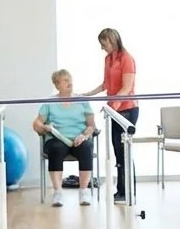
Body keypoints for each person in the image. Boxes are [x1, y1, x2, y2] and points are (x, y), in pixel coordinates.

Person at [83, 27, 136, 202]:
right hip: (114, 109)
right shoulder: (108, 59)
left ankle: (128, 191)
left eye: (103, 44)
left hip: (127, 110)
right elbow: (106, 84)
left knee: (124, 150)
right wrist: (87, 95)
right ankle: (121, 190)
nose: (102, 47)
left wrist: (115, 106)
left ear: (112, 40)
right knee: (116, 149)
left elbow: (127, 88)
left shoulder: (127, 59)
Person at [32, 69, 96, 207]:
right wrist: (44, 127)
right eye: (65, 80)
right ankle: (58, 192)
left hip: (79, 138)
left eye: (70, 79)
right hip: (57, 138)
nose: (69, 82)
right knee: (56, 148)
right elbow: (36, 123)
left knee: (86, 147)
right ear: (56, 85)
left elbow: (91, 126)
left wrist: (84, 135)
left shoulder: (82, 101)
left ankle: (84, 191)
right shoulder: (49, 102)